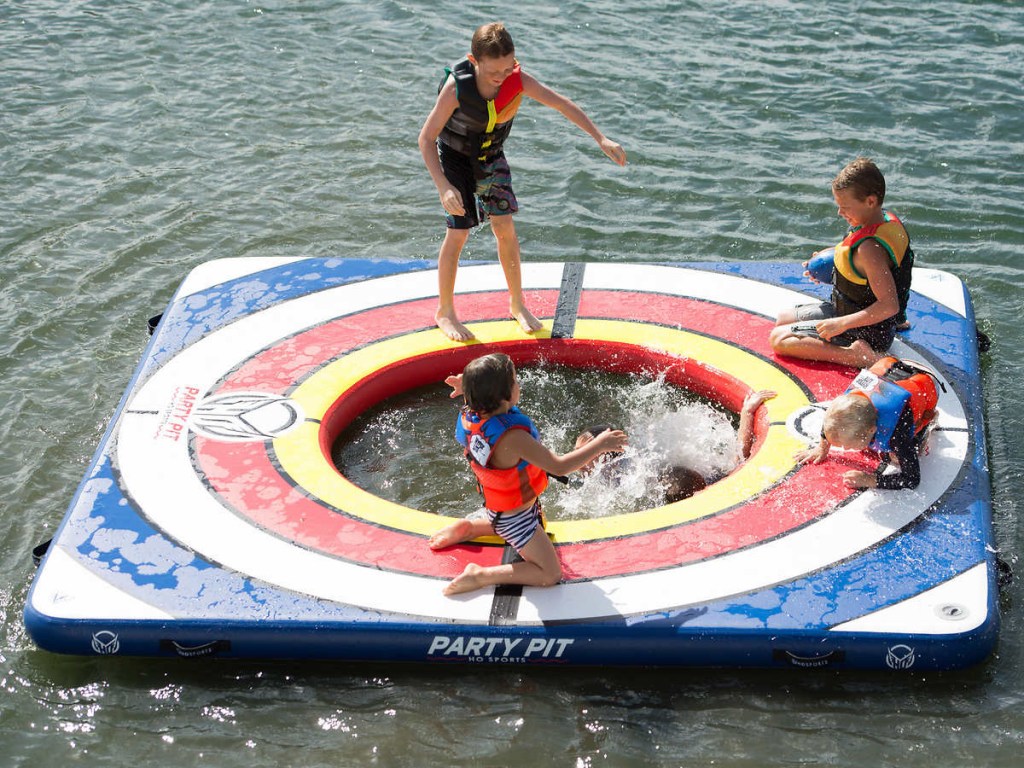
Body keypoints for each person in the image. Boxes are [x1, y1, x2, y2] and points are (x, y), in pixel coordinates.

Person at [418, 22, 627, 342]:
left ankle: (517, 303)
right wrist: (443, 185)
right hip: (456, 160)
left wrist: (601, 138)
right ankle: (445, 311)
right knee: (458, 233)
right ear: (473, 61)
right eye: (494, 73)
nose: (502, 77)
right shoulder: (455, 88)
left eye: (508, 68)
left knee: (505, 228)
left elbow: (561, 104)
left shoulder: (517, 79)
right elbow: (426, 138)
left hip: (490, 156)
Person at [429, 353, 628, 595]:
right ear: (503, 395)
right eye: (515, 380)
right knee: (549, 573)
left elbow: (485, 400)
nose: (518, 384)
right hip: (515, 518)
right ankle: (479, 575)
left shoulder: (471, 414)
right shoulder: (513, 438)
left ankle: (470, 528)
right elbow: (559, 467)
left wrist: (469, 386)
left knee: (538, 526)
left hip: (504, 509)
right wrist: (600, 444)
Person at [769, 157, 914, 368]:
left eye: (845, 206)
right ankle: (883, 329)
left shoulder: (870, 250)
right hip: (859, 314)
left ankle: (856, 355)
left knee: (778, 339)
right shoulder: (885, 220)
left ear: (870, 201)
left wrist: (840, 324)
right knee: (783, 318)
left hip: (869, 331)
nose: (839, 212)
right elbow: (886, 271)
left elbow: (889, 305)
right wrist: (832, 259)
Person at [574, 390, 776, 503]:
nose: (577, 460)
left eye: (583, 455)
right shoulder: (626, 470)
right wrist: (747, 413)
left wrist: (747, 412)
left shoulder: (628, 478)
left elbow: (739, 459)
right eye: (577, 453)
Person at [796, 357, 939, 490]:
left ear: (871, 430)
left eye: (848, 445)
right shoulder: (846, 405)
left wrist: (872, 480)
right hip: (895, 367)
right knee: (844, 428)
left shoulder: (897, 433)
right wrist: (822, 447)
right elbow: (833, 421)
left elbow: (912, 479)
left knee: (895, 457)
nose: (845, 449)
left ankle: (926, 425)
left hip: (925, 382)